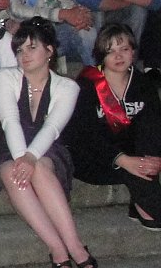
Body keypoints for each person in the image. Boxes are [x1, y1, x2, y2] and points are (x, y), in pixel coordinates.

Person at [0, 17, 96, 268]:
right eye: (19, 50)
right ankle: (56, 246)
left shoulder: (67, 86)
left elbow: (53, 127)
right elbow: (9, 121)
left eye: (31, 48)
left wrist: (31, 157)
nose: (24, 55)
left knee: (41, 169)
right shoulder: (5, 77)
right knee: (13, 173)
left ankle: (74, 244)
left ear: (49, 51)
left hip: (48, 148)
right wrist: (21, 157)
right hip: (10, 146)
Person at [65, 25, 161, 230]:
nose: (118, 56)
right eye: (110, 51)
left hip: (137, 158)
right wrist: (122, 159)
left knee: (147, 125)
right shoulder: (87, 84)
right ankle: (149, 206)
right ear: (101, 55)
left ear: (133, 52)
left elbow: (154, 126)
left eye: (124, 49)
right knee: (131, 164)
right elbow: (83, 134)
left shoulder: (143, 84)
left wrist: (154, 158)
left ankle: (144, 203)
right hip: (96, 160)